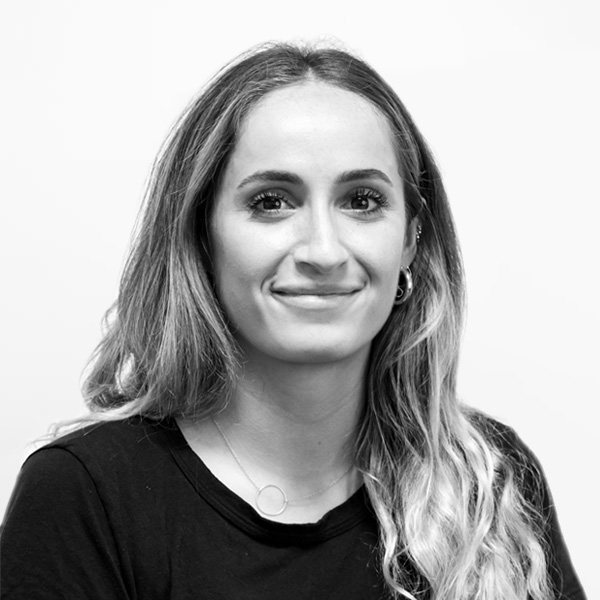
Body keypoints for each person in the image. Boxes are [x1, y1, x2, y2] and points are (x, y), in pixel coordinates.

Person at [0, 42, 586, 600]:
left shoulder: (488, 482)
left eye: (362, 201)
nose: (324, 251)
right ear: (201, 237)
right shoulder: (84, 495)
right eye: (271, 202)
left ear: (411, 238)